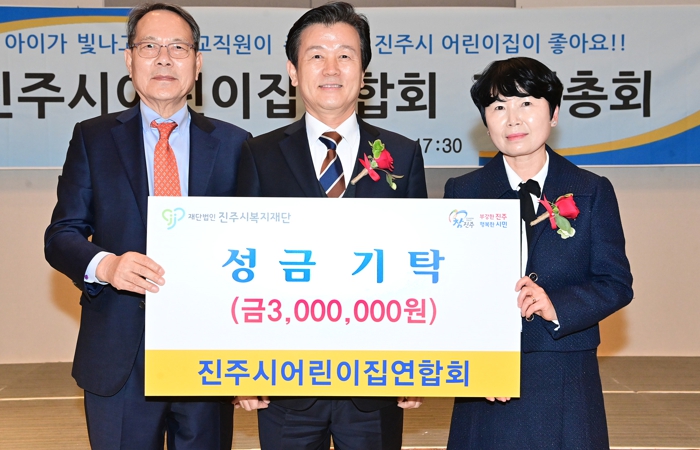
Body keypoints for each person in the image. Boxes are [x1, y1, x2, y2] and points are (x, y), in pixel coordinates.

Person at [44, 3, 249, 449]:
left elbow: (255, 247)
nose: (163, 59)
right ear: (129, 59)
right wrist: (106, 265)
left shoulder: (236, 145)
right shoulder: (93, 138)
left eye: (178, 47)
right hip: (119, 351)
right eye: (149, 46)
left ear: (197, 62)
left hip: (207, 350)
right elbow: (61, 235)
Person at [234, 2, 427, 449]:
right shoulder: (258, 155)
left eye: (345, 55)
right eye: (316, 55)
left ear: (364, 72)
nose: (331, 68)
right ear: (293, 71)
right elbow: (244, 264)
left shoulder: (402, 154)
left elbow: (415, 267)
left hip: (377, 381)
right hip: (284, 381)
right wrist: (243, 367)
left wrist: (417, 363)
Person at [444, 57, 633, 449]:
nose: (512, 119)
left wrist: (557, 305)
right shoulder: (462, 192)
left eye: (526, 103)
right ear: (486, 122)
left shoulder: (591, 190)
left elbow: (616, 283)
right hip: (488, 384)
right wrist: (474, 366)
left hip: (565, 377)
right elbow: (449, 288)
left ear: (554, 113)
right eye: (498, 107)